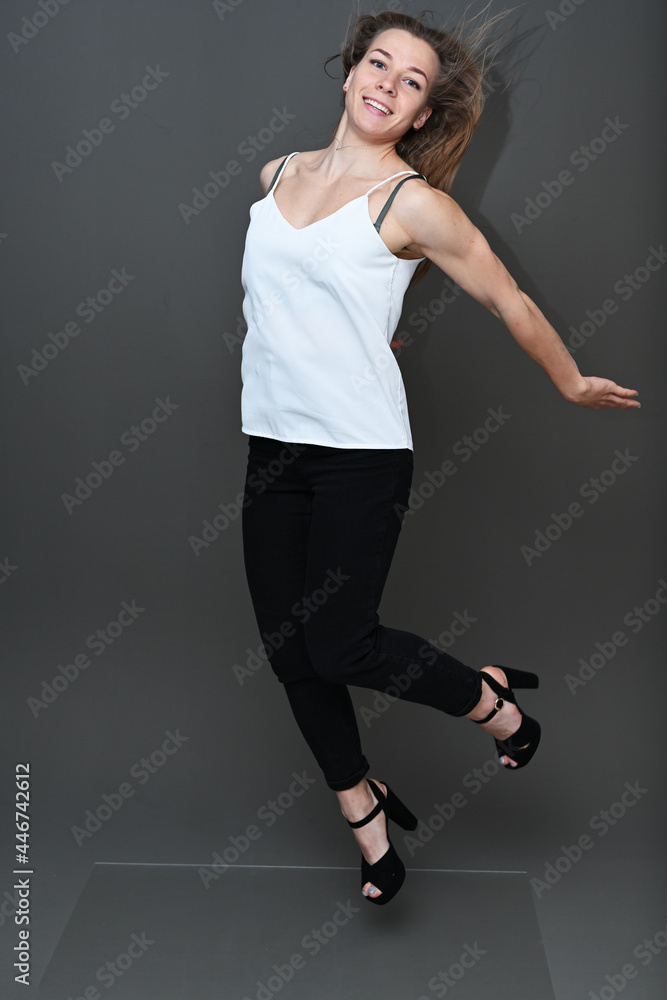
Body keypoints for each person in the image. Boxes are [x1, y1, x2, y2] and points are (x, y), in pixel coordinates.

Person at [237, 10, 640, 906]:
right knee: (290, 653)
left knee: (340, 643)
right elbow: (280, 304)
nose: (387, 83)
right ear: (349, 73)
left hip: (358, 455)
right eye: (378, 64)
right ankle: (365, 813)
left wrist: (571, 382)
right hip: (271, 449)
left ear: (420, 113)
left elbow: (508, 300)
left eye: (410, 80)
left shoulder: (413, 204)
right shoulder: (276, 175)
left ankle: (492, 703)